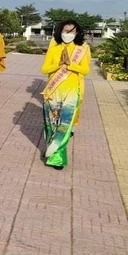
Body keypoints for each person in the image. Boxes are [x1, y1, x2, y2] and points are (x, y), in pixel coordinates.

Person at [41, 20, 90, 169]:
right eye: (65, 31)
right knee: (51, 123)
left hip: (71, 91)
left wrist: (70, 64)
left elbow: (86, 70)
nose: (67, 34)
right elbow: (44, 69)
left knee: (64, 125)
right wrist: (58, 64)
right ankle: (51, 148)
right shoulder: (54, 47)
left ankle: (58, 158)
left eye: (71, 32)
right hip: (53, 91)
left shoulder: (83, 48)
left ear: (77, 33)